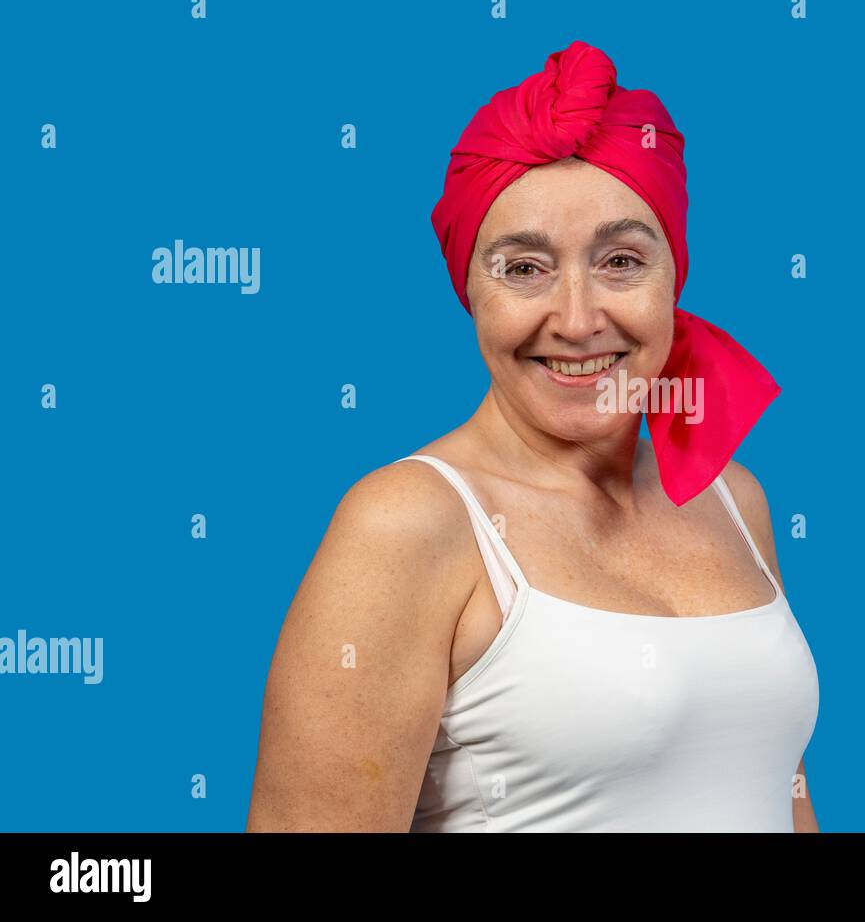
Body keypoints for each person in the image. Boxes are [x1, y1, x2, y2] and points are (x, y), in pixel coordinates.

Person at [246, 41, 820, 832]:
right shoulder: (409, 523)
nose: (579, 320)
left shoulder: (729, 495)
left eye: (622, 261)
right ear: (470, 291)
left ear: (674, 276)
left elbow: (774, 791)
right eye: (524, 269)